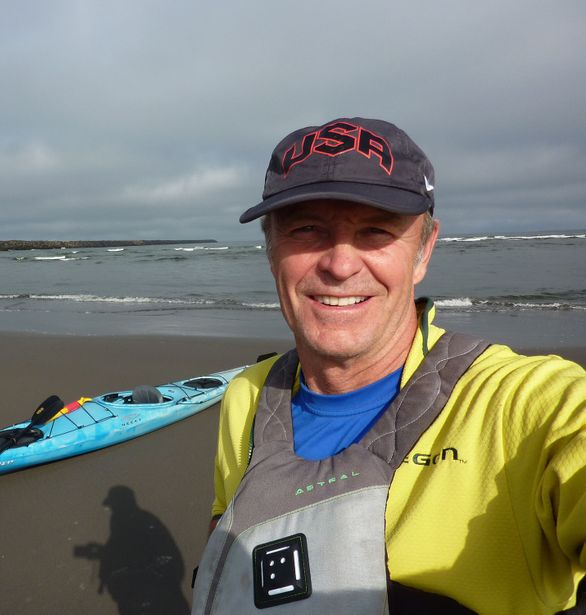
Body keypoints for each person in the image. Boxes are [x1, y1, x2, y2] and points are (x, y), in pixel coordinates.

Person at [191, 117, 585, 614]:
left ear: (424, 250)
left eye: (375, 230)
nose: (339, 264)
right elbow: (227, 522)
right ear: (271, 250)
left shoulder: (518, 403)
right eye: (306, 229)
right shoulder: (247, 395)